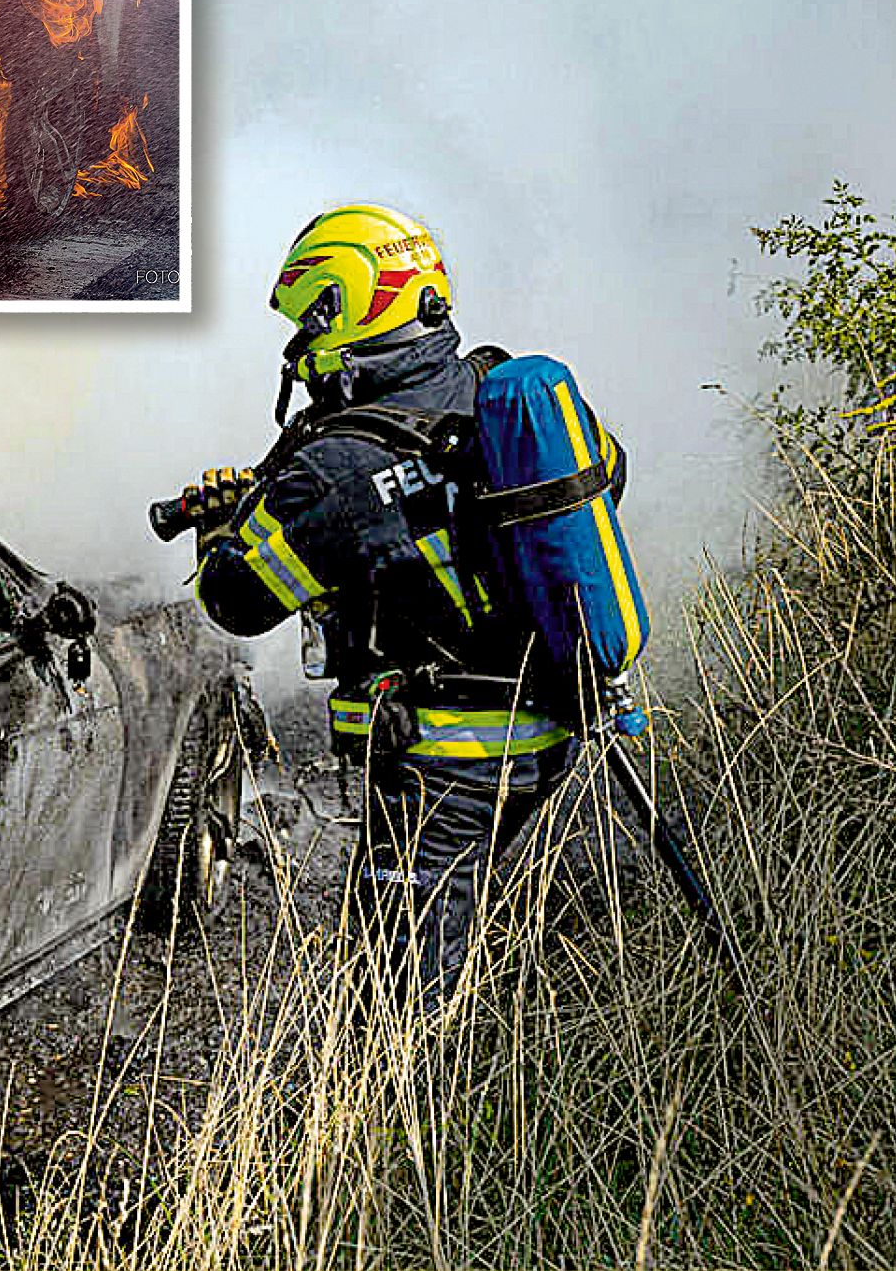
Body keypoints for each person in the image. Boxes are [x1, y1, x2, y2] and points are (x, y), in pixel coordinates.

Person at [178, 203, 602, 998]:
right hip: (550, 733)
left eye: (308, 321)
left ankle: (410, 1120)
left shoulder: (336, 464)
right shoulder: (503, 397)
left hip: (442, 765)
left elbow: (235, 599)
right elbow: (601, 472)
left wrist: (221, 527)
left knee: (400, 994)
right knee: (512, 943)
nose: (300, 346)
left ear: (343, 308)